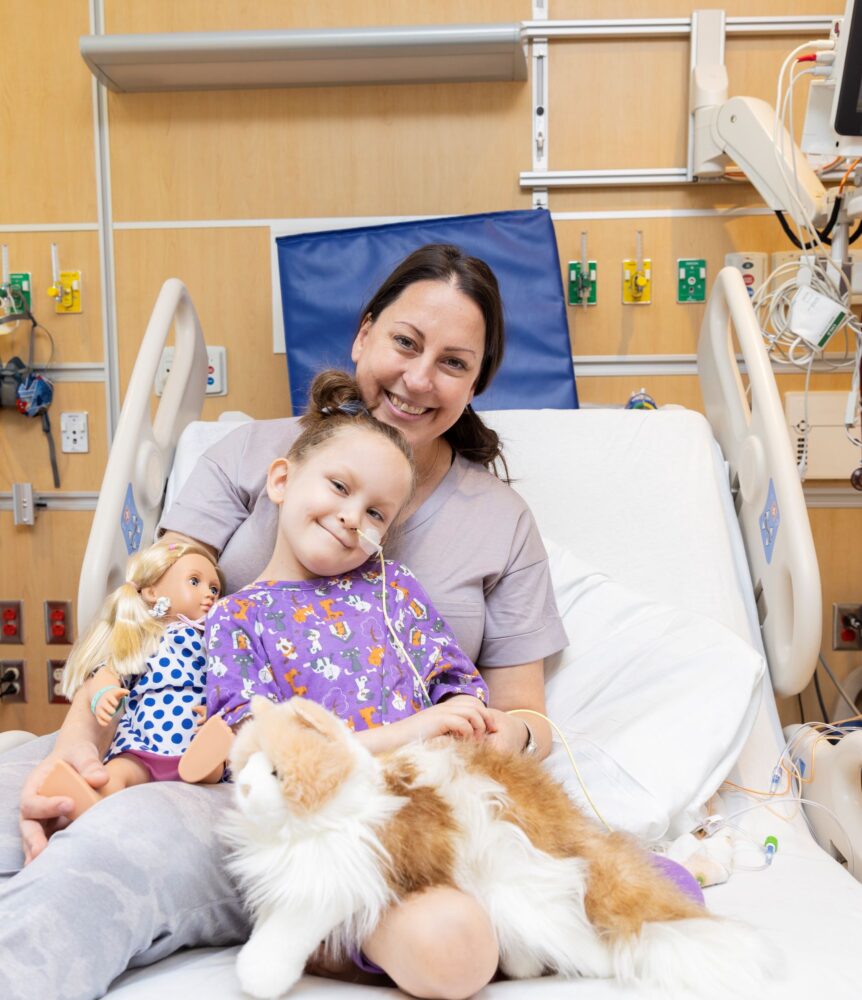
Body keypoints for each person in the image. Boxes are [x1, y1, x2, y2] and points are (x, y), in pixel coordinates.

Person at [1, 244, 567, 1000]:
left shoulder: (499, 522)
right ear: (363, 334)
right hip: (169, 733)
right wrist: (78, 745)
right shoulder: (253, 455)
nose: (418, 378)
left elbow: (527, 709)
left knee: (102, 861)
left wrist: (502, 733)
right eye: (405, 341)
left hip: (297, 798)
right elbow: (148, 605)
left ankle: (326, 920)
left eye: (454, 363)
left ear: (476, 384)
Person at [39, 540, 224, 815]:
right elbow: (110, 671)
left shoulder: (217, 641)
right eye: (194, 582)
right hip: (145, 741)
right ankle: (87, 799)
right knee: (120, 772)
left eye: (214, 589)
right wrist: (104, 694)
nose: (209, 595)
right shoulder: (148, 638)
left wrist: (216, 708)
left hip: (193, 742)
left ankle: (207, 764)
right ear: (152, 591)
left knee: (213, 761)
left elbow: (226, 681)